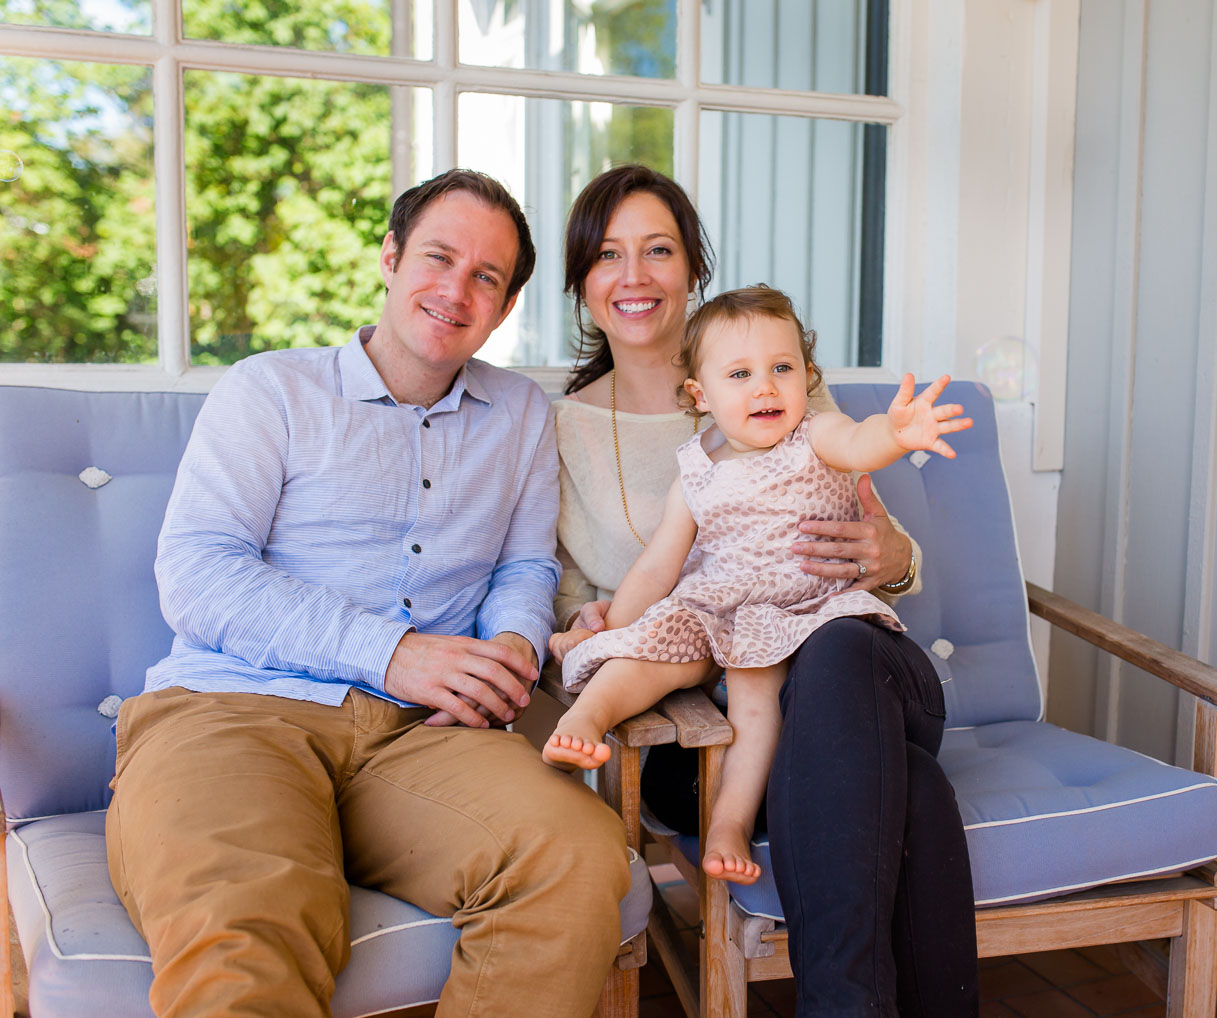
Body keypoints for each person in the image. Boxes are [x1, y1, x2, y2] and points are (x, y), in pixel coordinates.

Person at [105, 168, 630, 1018]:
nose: (455, 290)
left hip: (422, 739)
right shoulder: (270, 389)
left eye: (486, 277)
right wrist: (392, 653)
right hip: (234, 712)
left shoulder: (522, 415)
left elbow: (524, 569)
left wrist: (513, 649)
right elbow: (199, 572)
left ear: (504, 307)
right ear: (389, 258)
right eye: (437, 257)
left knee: (573, 855)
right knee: (246, 931)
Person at [551, 164, 980, 1017]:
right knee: (913, 789)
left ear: (692, 267)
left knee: (841, 649)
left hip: (849, 667)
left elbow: (881, 523)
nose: (634, 275)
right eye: (608, 255)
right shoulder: (560, 425)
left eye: (659, 250)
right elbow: (570, 594)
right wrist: (587, 624)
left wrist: (890, 553)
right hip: (702, 731)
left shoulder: (785, 385)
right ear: (583, 281)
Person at [546, 285, 973, 891]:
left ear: (807, 376)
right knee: (646, 651)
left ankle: (730, 824)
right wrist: (617, 628)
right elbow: (657, 567)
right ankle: (587, 720)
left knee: (754, 708)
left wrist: (898, 433)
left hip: (799, 611)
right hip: (717, 602)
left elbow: (861, 442)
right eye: (740, 374)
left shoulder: (816, 435)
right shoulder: (695, 471)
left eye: (782, 369)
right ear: (701, 394)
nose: (765, 387)